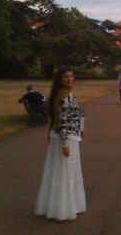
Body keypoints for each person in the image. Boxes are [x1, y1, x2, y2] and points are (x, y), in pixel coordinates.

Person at [34, 66, 86, 221]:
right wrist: (65, 144)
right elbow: (62, 121)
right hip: (65, 138)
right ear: (60, 79)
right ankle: (63, 209)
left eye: (71, 76)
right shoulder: (64, 96)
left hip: (62, 136)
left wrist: (82, 126)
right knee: (65, 172)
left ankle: (56, 206)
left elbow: (75, 113)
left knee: (58, 172)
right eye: (66, 77)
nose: (70, 79)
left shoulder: (62, 94)